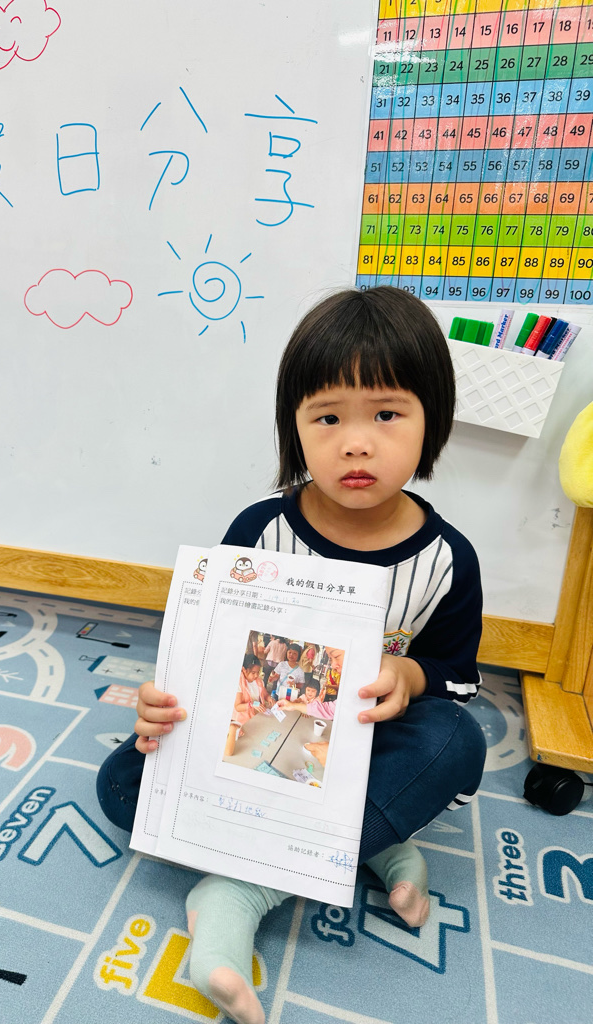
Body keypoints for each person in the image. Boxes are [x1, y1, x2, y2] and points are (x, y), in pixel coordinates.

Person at [97, 286, 486, 1024]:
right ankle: (373, 844)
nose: (356, 443)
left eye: (387, 414)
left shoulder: (447, 560)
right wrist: (161, 706)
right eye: (328, 417)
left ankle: (242, 890)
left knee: (456, 742)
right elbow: (205, 659)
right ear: (295, 428)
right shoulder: (258, 530)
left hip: (364, 746)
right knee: (121, 785)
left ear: (432, 421)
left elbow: (457, 683)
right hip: (258, 747)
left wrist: (410, 675)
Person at [225, 654, 272, 757]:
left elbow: (264, 693)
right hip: (242, 721)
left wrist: (269, 698)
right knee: (246, 745)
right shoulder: (239, 683)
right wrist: (251, 704)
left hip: (256, 717)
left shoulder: (258, 681)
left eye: (258, 672)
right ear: (244, 670)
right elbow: (238, 706)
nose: (256, 676)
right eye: (253, 673)